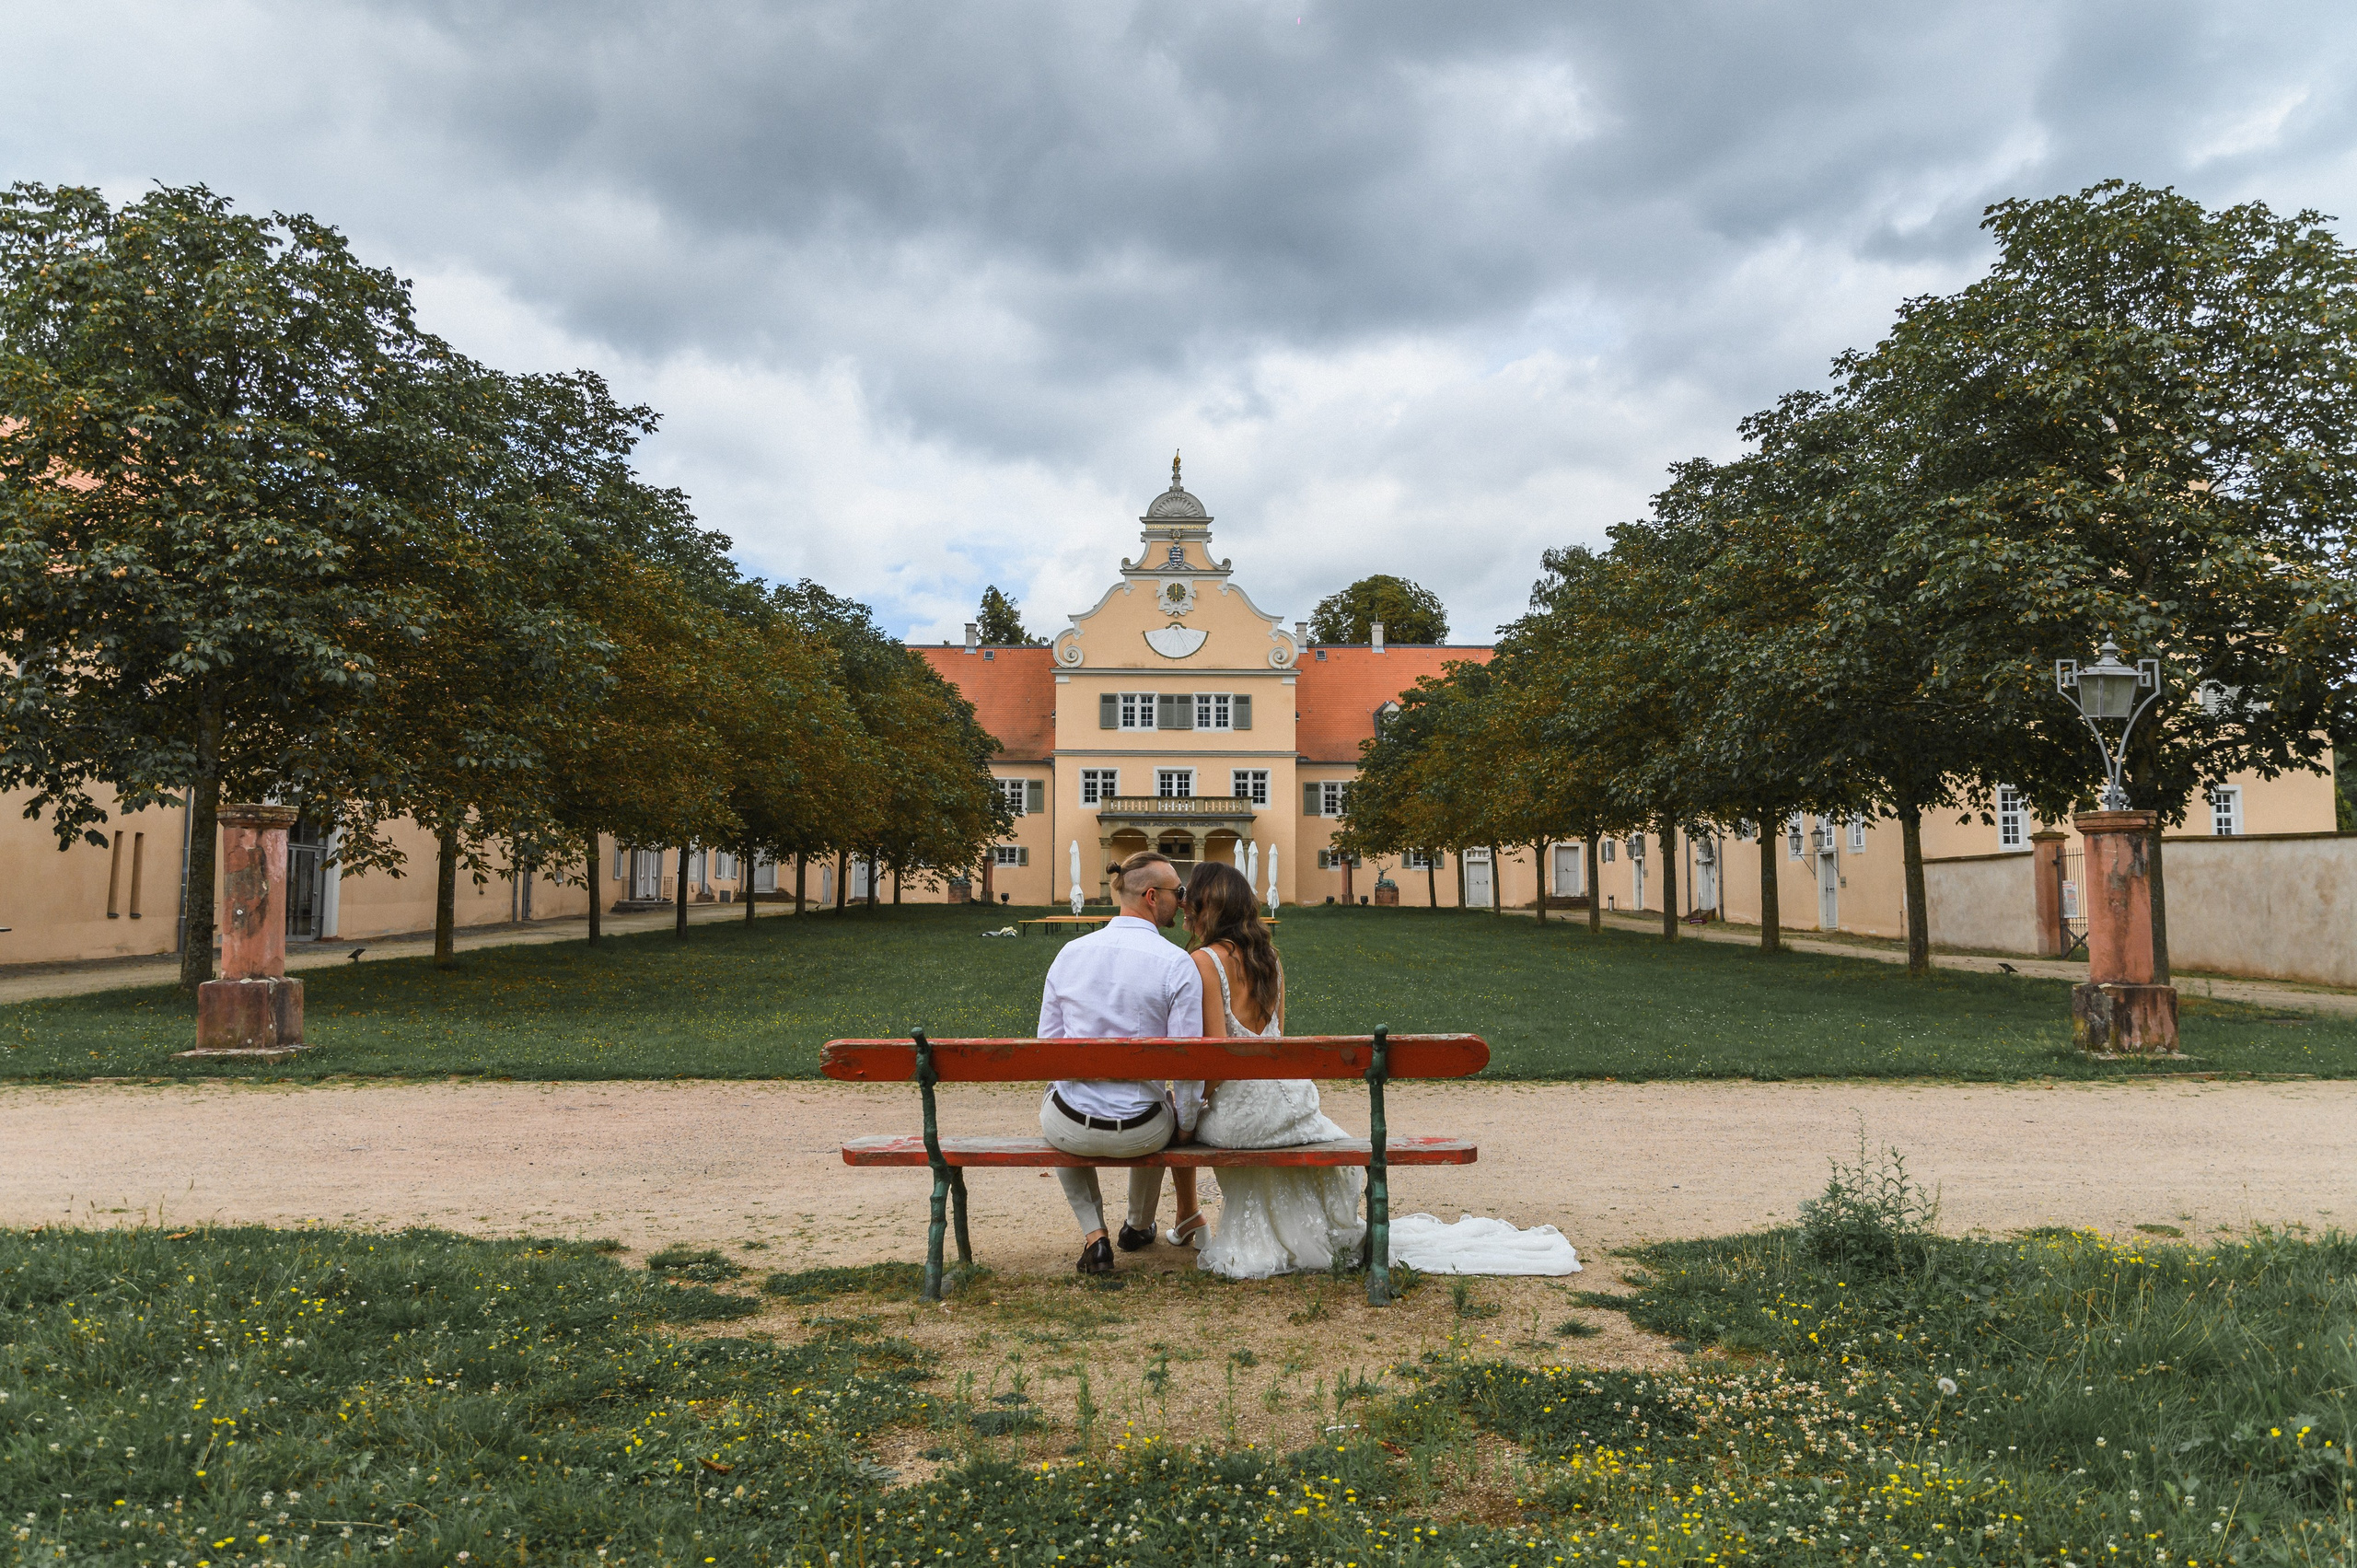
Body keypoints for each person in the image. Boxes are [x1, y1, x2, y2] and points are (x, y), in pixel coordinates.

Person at [1178, 860, 1367, 1280]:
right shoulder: (1271, 959)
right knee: (1284, 1130)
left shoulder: (1205, 962)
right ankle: (1304, 1232)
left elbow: (1217, 1057)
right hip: (1291, 1102)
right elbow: (1279, 1045)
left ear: (1209, 906)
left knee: (1189, 1118)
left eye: (1191, 897)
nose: (1185, 905)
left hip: (1241, 1119)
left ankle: (1202, 1219)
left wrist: (1190, 1110)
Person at [1035, 849, 1204, 1274]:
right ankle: (1139, 1224)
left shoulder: (1070, 953)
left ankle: (1096, 1237)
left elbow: (1047, 1048)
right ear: (1152, 896)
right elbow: (1187, 1063)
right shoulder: (1177, 964)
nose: (1182, 900)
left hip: (1071, 1125)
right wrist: (1185, 1125)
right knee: (1161, 1103)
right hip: (1141, 1131)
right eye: (1177, 892)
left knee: (1053, 1109)